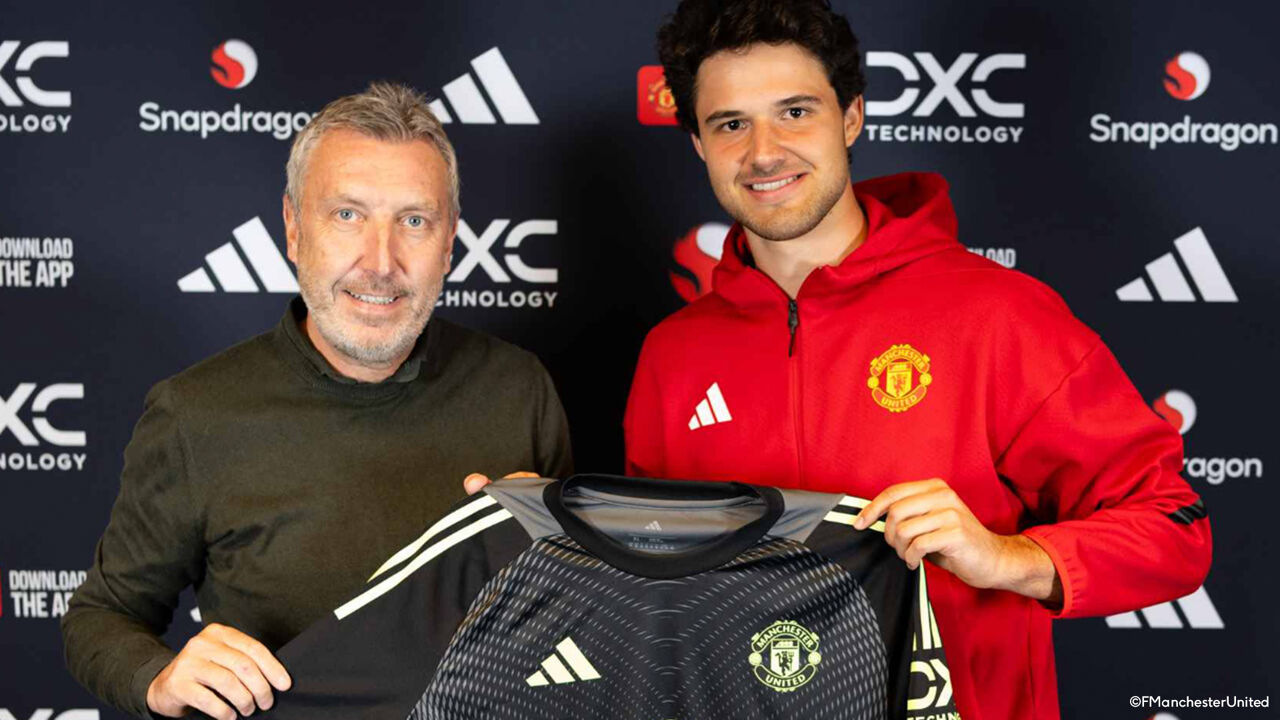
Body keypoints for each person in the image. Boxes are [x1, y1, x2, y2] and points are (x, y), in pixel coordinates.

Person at [469, 1, 1210, 718]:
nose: (764, 152)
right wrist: (554, 531)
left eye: (795, 111)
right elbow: (658, 589)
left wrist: (1007, 557)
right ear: (697, 142)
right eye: (731, 124)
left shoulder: (998, 314)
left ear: (851, 116)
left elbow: (1174, 528)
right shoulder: (675, 353)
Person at [63, 82, 573, 720]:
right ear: (294, 229)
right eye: (348, 215)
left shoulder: (519, 388)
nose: (380, 262)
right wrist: (157, 676)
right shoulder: (194, 414)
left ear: (449, 244)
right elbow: (101, 616)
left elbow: (581, 617)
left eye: (414, 221)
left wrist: (557, 547)